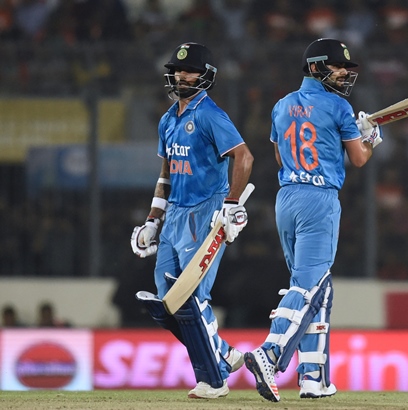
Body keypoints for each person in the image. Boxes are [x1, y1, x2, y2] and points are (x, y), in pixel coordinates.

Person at [244, 38, 382, 402]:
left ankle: (313, 379)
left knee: (317, 289)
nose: (345, 75)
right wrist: (371, 137)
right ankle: (270, 353)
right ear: (319, 67)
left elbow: (279, 155)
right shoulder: (339, 106)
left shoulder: (282, 104)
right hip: (319, 199)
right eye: (340, 68)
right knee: (308, 287)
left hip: (286, 197)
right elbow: (360, 159)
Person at [130, 42, 254, 399]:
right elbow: (166, 173)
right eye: (178, 70)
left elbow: (243, 157)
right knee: (166, 300)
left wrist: (230, 205)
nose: (182, 76)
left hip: (206, 210)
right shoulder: (168, 119)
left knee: (193, 297)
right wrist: (153, 218)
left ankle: (213, 380)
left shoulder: (210, 114)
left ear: (206, 76)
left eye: (190, 71)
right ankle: (224, 353)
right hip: (175, 216)